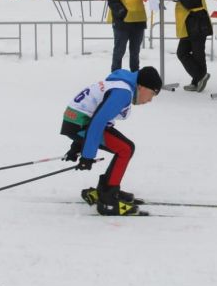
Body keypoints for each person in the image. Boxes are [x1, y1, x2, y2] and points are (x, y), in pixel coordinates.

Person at [60, 66, 162, 216]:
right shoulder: (123, 92)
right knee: (125, 149)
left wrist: (77, 146)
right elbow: (97, 123)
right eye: (152, 94)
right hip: (80, 123)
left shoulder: (121, 84)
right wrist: (87, 156)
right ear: (141, 86)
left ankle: (106, 190)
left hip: (76, 122)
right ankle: (108, 199)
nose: (150, 100)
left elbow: (95, 115)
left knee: (124, 147)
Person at [167, 0, 213, 92]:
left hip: (198, 25)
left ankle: (198, 79)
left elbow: (189, 3)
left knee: (198, 54)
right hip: (187, 26)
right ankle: (199, 77)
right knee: (182, 53)